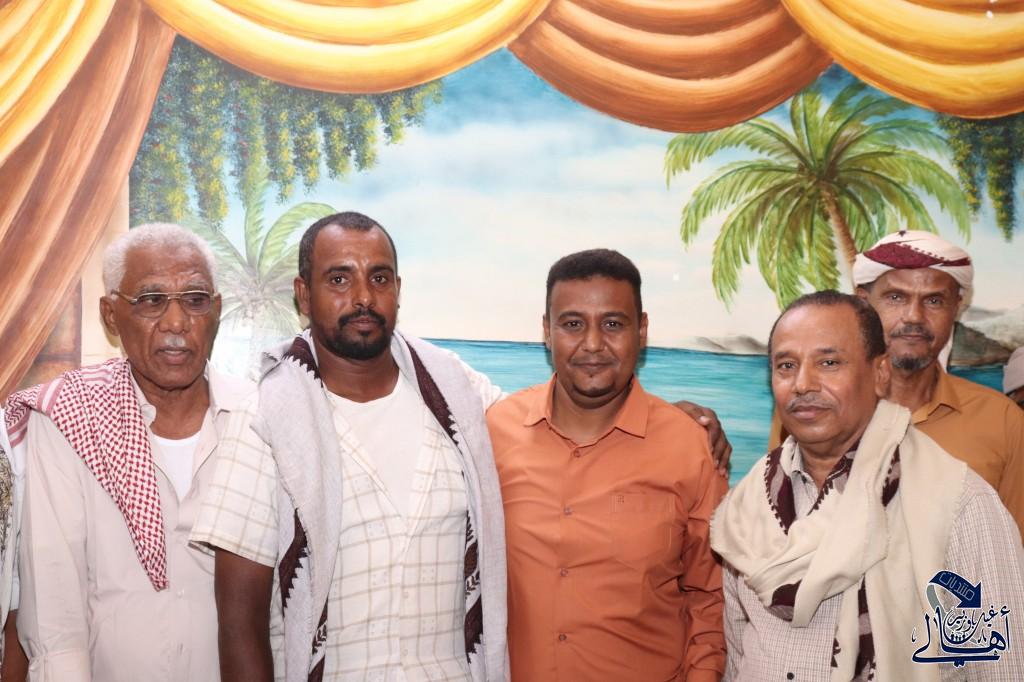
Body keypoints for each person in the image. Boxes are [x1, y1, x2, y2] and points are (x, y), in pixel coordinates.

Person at [190, 212, 508, 682]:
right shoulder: (263, 421)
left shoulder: (458, 394)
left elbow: (543, 434)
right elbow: (240, 626)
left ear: (397, 289)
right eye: (339, 279)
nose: (363, 297)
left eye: (379, 278)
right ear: (303, 295)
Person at [714, 291, 1024, 681]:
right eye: (786, 365)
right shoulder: (747, 507)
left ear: (879, 373)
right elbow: (738, 658)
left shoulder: (960, 505)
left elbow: (999, 669)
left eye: (829, 363)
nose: (802, 384)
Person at [3, 223, 252, 680]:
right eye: (152, 300)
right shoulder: (66, 419)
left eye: (195, 300)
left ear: (216, 311)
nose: (176, 322)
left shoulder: (257, 418)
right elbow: (57, 625)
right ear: (111, 315)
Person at [487, 249, 727, 681]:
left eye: (613, 324)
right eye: (572, 324)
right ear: (547, 331)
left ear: (642, 330)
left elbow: (710, 599)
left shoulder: (690, 447)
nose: (593, 344)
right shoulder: (495, 432)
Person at [852, 230, 1024, 539]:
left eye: (934, 300)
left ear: (956, 307)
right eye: (895, 297)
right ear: (865, 304)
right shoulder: (819, 410)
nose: (913, 317)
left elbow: (1015, 551)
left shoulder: (1003, 421)